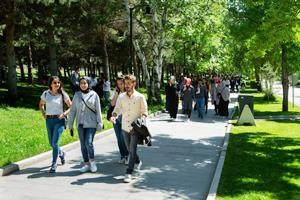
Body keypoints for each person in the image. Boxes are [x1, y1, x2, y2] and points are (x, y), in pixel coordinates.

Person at [110, 74, 148, 183]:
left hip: (135, 128)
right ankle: (138, 161)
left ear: (134, 84)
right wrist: (114, 116)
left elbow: (144, 112)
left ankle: (128, 172)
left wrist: (142, 119)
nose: (126, 85)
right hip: (124, 127)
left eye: (128, 83)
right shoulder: (121, 97)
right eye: (125, 83)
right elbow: (116, 109)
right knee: (129, 149)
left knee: (132, 150)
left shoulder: (140, 97)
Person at [68, 77, 103, 173]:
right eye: (81, 83)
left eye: (85, 83)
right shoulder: (77, 95)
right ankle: (86, 164)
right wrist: (70, 124)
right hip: (80, 123)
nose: (83, 85)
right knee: (83, 145)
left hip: (91, 123)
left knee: (88, 143)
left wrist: (100, 122)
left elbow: (98, 110)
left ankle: (92, 162)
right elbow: (73, 110)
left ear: (88, 84)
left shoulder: (94, 95)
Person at [39, 76, 72, 173]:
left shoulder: (63, 94)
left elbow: (71, 106)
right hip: (49, 120)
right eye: (54, 83)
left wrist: (64, 114)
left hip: (59, 120)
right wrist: (43, 113)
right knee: (51, 143)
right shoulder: (46, 93)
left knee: (55, 143)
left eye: (58, 82)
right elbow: (41, 104)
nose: (57, 84)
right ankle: (61, 153)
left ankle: (54, 164)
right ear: (50, 84)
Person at [110, 75, 129, 164]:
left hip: (125, 117)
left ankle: (127, 155)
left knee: (123, 137)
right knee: (119, 138)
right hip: (116, 117)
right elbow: (113, 104)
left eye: (121, 84)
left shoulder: (129, 92)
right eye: (118, 84)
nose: (120, 86)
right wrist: (117, 94)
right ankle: (122, 156)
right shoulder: (116, 92)